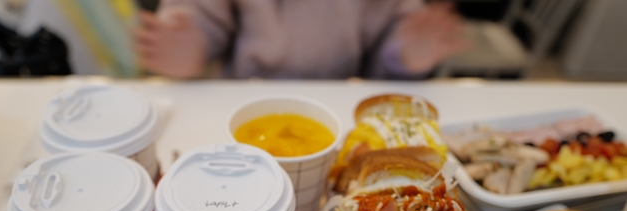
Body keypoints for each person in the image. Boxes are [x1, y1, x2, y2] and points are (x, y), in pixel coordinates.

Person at [134, 0, 469, 79]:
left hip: (340, 102)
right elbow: (200, 13)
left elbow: (392, 33)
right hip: (243, 96)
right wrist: (192, 42)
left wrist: (403, 53)